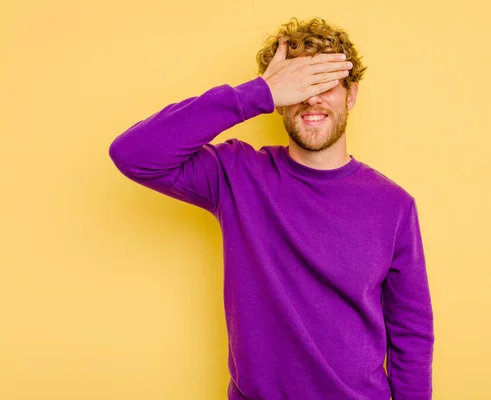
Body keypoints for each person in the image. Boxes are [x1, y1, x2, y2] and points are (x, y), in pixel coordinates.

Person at [109, 16, 434, 400]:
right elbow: (133, 154)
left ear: (351, 94)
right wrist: (256, 93)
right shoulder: (235, 174)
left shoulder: (393, 204)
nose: (312, 98)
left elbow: (410, 329)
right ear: (279, 100)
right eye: (299, 84)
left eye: (325, 82)